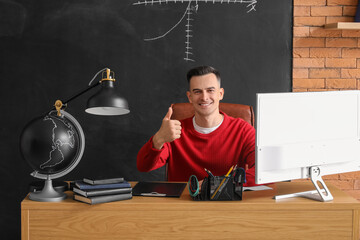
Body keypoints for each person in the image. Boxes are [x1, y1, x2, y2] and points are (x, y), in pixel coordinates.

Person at [137, 66, 256, 186]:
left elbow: (261, 172)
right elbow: (143, 166)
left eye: (210, 90)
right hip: (183, 202)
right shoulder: (174, 131)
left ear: (220, 94)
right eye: (197, 91)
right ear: (190, 97)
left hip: (228, 202)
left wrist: (213, 185)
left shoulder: (243, 130)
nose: (204, 97)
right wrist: (159, 138)